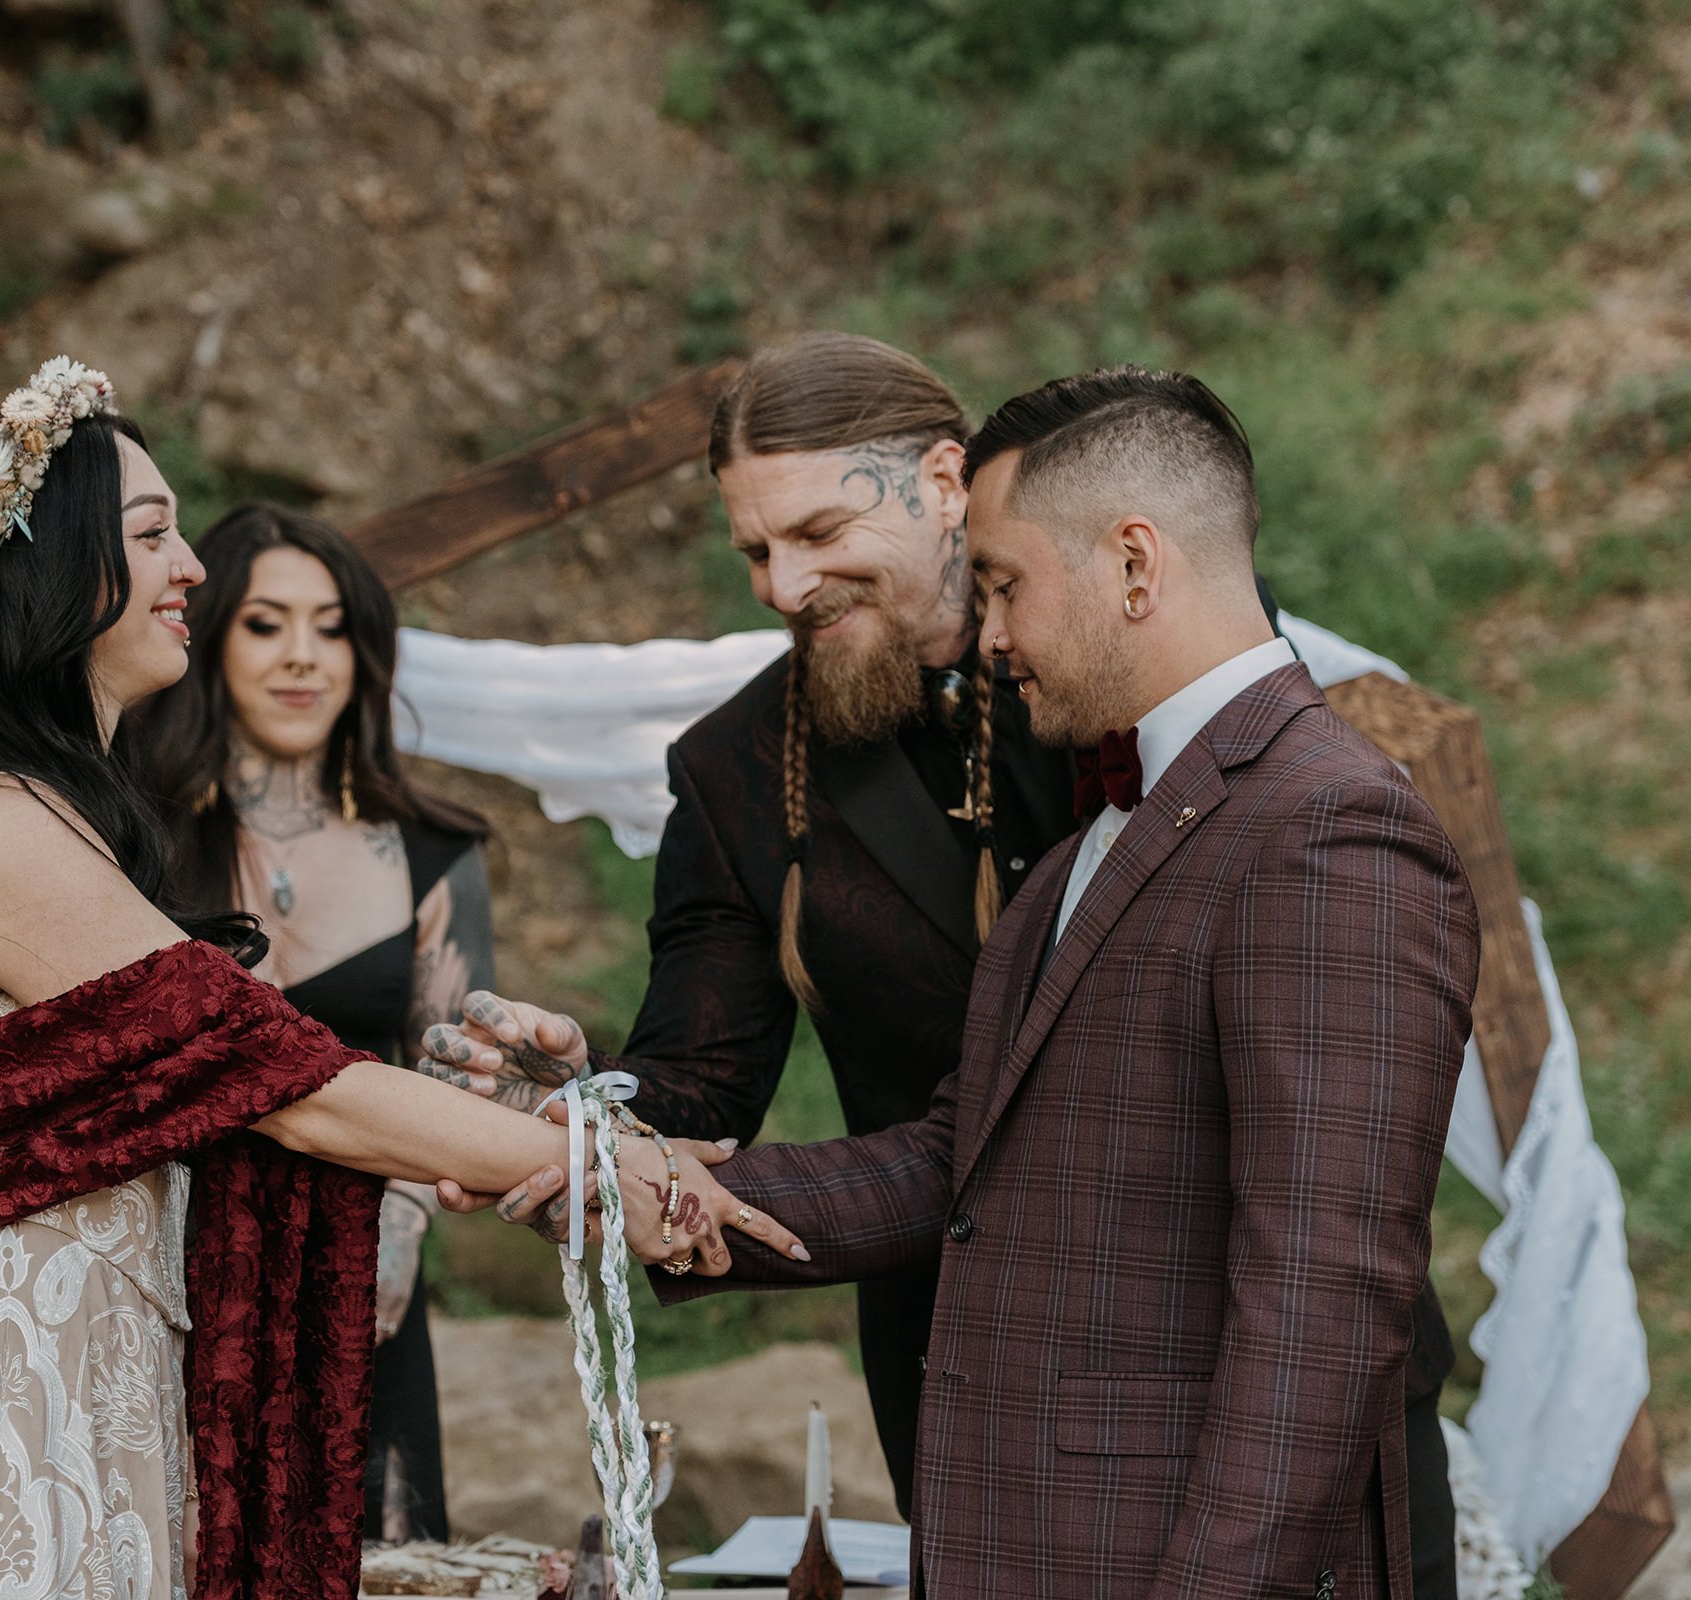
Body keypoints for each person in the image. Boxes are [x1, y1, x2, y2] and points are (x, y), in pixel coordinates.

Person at [0, 359, 795, 1600]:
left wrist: (534, 1121)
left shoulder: (53, 822)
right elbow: (290, 1084)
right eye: (154, 535)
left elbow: (264, 1089)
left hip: (85, 1395)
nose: (192, 570)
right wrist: (611, 1163)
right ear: (58, 570)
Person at [418, 335, 1462, 1600]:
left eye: (816, 531)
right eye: (753, 550)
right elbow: (905, 1133)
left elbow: (1321, 1279)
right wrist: (588, 1125)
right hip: (972, 1390)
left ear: (944, 485)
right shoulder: (752, 767)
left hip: (1225, 1438)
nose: (780, 585)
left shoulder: (1217, 746)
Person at [118, 503, 492, 1544]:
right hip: (167, 1279)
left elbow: (453, 1069)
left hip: (367, 1269)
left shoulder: (435, 853)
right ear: (211, 631)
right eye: (266, 624)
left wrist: (401, 1234)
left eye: (331, 628)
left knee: (372, 1555)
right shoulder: (128, 844)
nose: (303, 659)